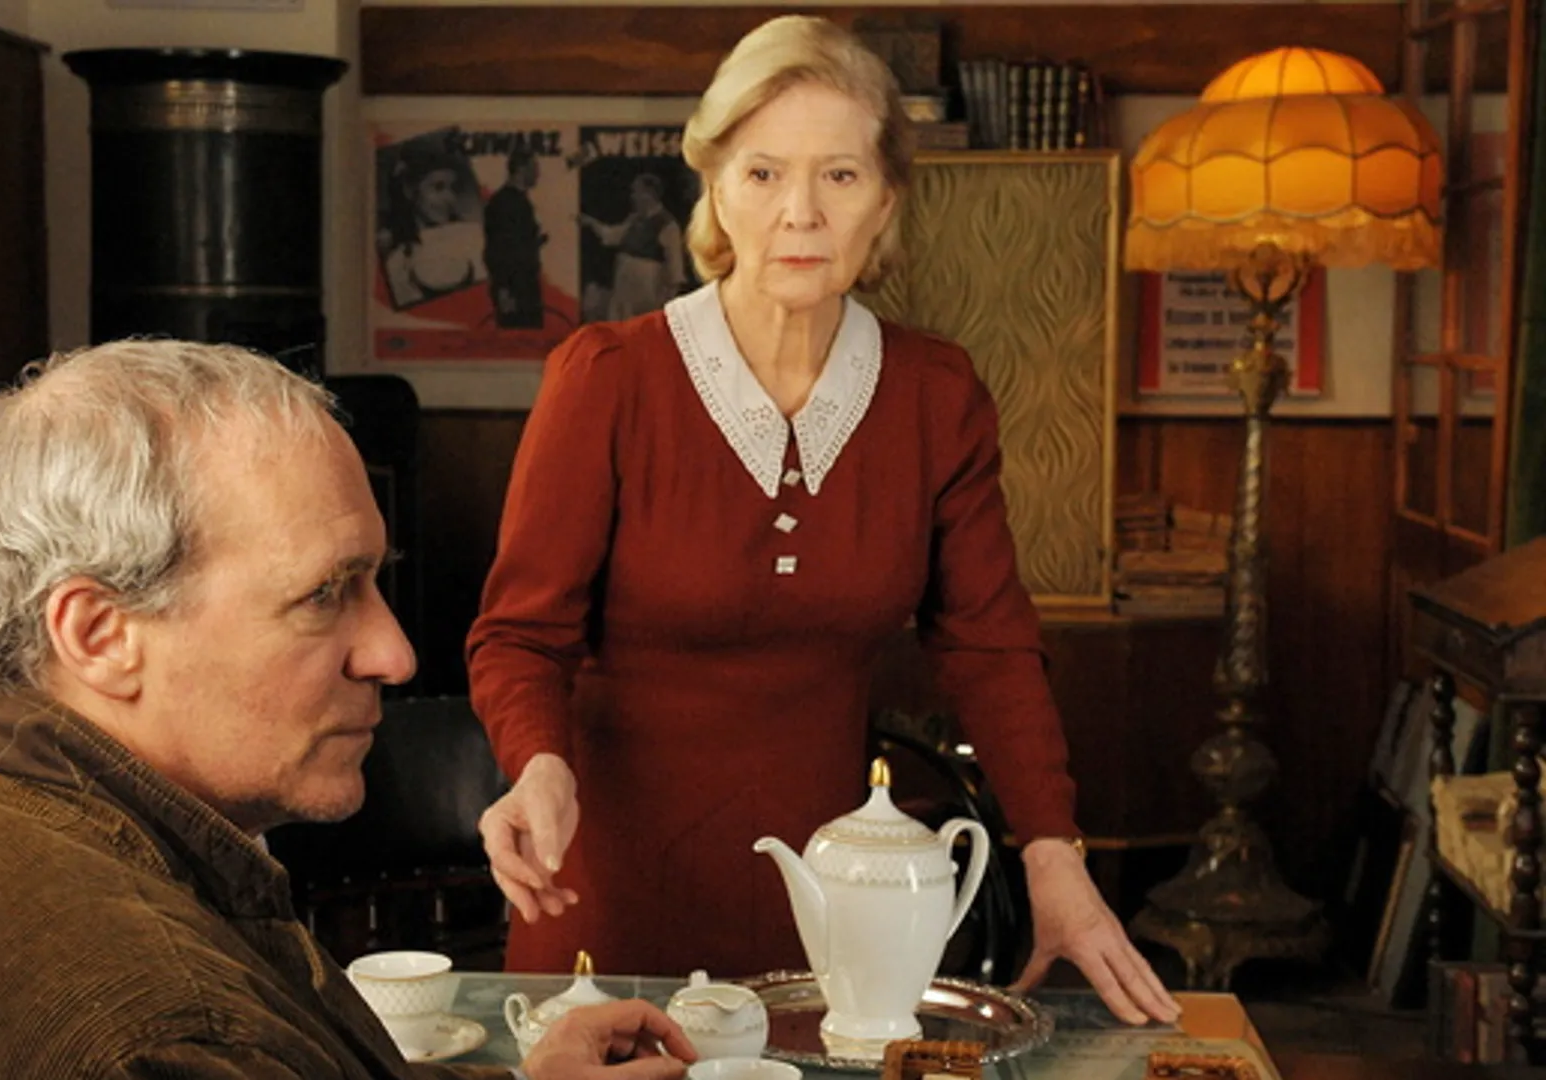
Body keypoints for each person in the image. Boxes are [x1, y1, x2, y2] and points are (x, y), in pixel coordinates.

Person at [466, 15, 1182, 1027]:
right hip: (600, 898)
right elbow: (519, 636)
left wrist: (1054, 857)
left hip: (831, 917)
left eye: (839, 176)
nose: (800, 213)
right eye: (763, 174)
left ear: (885, 200)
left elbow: (991, 649)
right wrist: (537, 765)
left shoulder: (936, 394)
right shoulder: (608, 379)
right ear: (716, 189)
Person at [0, 340, 697, 1080]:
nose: (394, 654)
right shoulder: (167, 1031)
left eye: (374, 583)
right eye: (325, 594)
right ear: (100, 634)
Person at [382, 143, 488, 309]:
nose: (450, 198)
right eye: (438, 187)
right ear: (409, 191)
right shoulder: (397, 262)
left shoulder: (474, 236)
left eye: (453, 188)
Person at [578, 173, 685, 319]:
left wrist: (667, 299)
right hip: (625, 286)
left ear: (649, 194)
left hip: (648, 288)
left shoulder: (667, 224)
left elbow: (675, 264)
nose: (633, 196)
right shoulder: (634, 219)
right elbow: (613, 235)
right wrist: (591, 223)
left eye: (636, 191)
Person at [485, 147, 548, 329]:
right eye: (534, 168)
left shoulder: (517, 201)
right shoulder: (504, 203)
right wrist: (504, 290)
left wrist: (535, 243)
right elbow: (497, 250)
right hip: (515, 290)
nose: (538, 174)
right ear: (521, 169)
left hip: (525, 286)